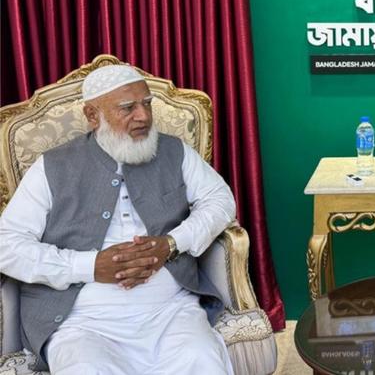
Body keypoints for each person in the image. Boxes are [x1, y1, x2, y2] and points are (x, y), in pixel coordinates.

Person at [0, 64, 236, 374]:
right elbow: (7, 245)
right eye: (127, 108)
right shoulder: (52, 166)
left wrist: (172, 243)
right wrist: (89, 265)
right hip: (82, 321)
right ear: (92, 115)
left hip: (171, 311)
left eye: (147, 103)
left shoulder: (173, 151)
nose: (143, 116)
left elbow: (220, 200)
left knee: (202, 360)